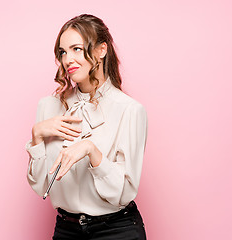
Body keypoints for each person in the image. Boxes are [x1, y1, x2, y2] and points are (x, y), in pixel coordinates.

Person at [25, 14, 148, 240]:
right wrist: (36, 137)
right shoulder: (48, 106)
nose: (68, 59)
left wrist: (92, 151)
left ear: (102, 50)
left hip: (116, 230)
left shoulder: (129, 110)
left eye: (77, 49)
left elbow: (123, 193)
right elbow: (41, 186)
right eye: (63, 52)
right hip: (66, 230)